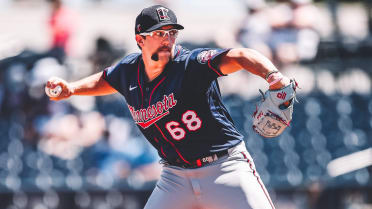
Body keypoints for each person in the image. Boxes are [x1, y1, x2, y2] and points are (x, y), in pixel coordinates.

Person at [46, 5, 292, 209]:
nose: (167, 39)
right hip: (174, 177)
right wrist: (71, 88)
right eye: (159, 33)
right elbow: (106, 79)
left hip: (224, 168)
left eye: (171, 32)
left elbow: (239, 56)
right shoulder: (128, 71)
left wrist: (274, 78)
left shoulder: (191, 65)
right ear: (140, 40)